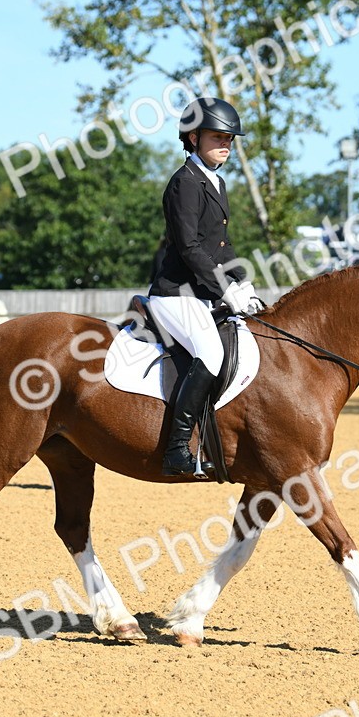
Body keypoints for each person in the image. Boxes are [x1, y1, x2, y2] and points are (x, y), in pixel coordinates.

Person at [148, 97, 262, 478]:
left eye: (230, 138)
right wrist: (222, 288)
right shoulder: (185, 182)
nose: (226, 144)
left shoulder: (216, 180)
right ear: (193, 137)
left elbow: (220, 246)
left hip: (202, 293)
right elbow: (189, 246)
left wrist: (242, 282)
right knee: (211, 355)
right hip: (175, 294)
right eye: (218, 137)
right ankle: (177, 448)